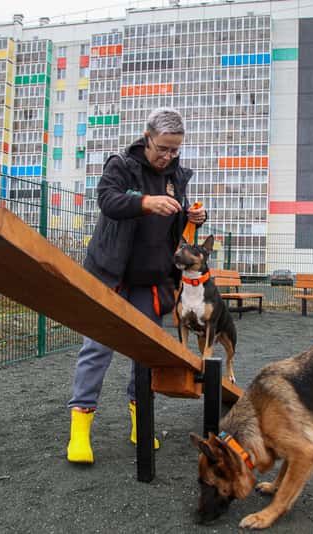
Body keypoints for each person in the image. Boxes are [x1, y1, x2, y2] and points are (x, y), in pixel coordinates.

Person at [66, 107, 206, 464]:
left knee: (146, 352)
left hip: (151, 280)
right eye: (163, 148)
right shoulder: (122, 166)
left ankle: (139, 420)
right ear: (147, 138)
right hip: (110, 274)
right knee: (97, 348)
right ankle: (79, 430)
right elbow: (108, 201)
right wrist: (145, 201)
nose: (168, 156)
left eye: (175, 149)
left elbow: (173, 226)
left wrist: (192, 218)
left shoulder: (177, 177)